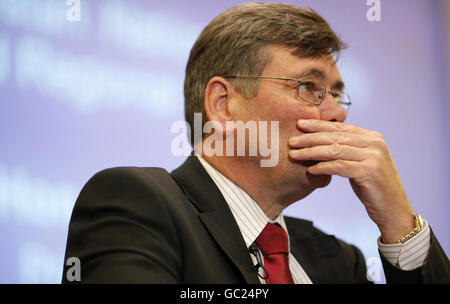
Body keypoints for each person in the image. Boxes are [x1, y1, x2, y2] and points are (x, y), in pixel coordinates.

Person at [62, 2, 449, 283]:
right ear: (223, 105)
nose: (337, 114)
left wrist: (399, 223)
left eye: (336, 94)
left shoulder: (337, 260)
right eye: (308, 87)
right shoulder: (137, 205)